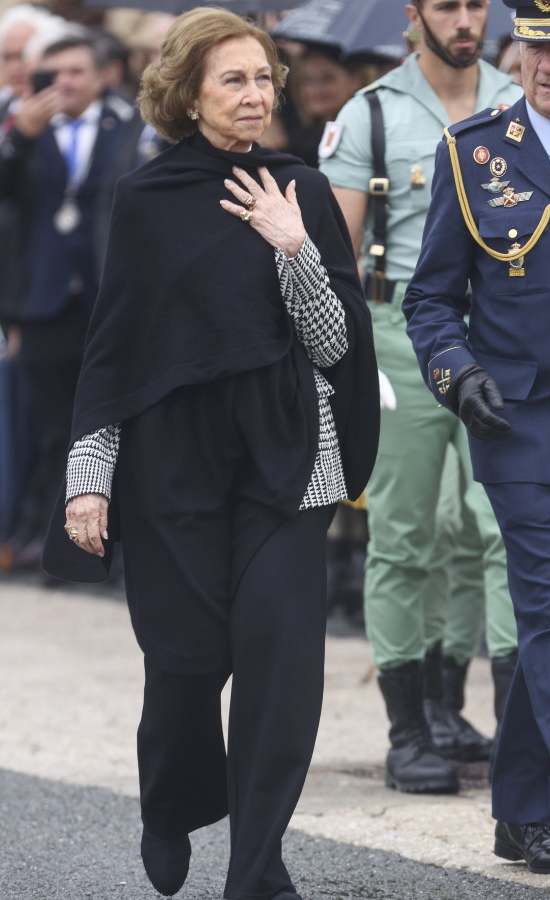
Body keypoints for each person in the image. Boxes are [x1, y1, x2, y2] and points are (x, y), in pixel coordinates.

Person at [42, 8, 379, 900]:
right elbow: (113, 350)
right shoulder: (145, 200)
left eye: (264, 77)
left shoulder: (298, 188)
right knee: (185, 669)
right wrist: (89, 481)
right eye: (235, 79)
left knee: (281, 670)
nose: (257, 94)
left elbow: (338, 343)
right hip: (172, 472)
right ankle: (169, 804)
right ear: (188, 92)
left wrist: (293, 245)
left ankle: (257, 868)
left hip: (288, 462)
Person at [403, 0, 550, 889]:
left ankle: (519, 815)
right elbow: (428, 299)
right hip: (522, 420)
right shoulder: (475, 152)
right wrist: (456, 374)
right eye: (535, 45)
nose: (548, 62)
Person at [320, 0, 521, 794]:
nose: (465, 19)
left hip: (499, 335)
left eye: (477, 4)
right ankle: (410, 729)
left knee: (497, 527)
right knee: (404, 535)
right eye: (448, 4)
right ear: (415, 14)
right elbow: (337, 259)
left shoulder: (517, 101)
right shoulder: (369, 114)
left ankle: (505, 722)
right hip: (397, 334)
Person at [0, 33, 133, 571]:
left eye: (77, 71)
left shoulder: (129, 129)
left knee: (106, 423)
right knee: (54, 424)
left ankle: (113, 546)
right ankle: (60, 547)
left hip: (106, 298)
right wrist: (20, 140)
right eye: (55, 73)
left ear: (104, 75)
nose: (66, 83)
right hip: (44, 302)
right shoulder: (27, 130)